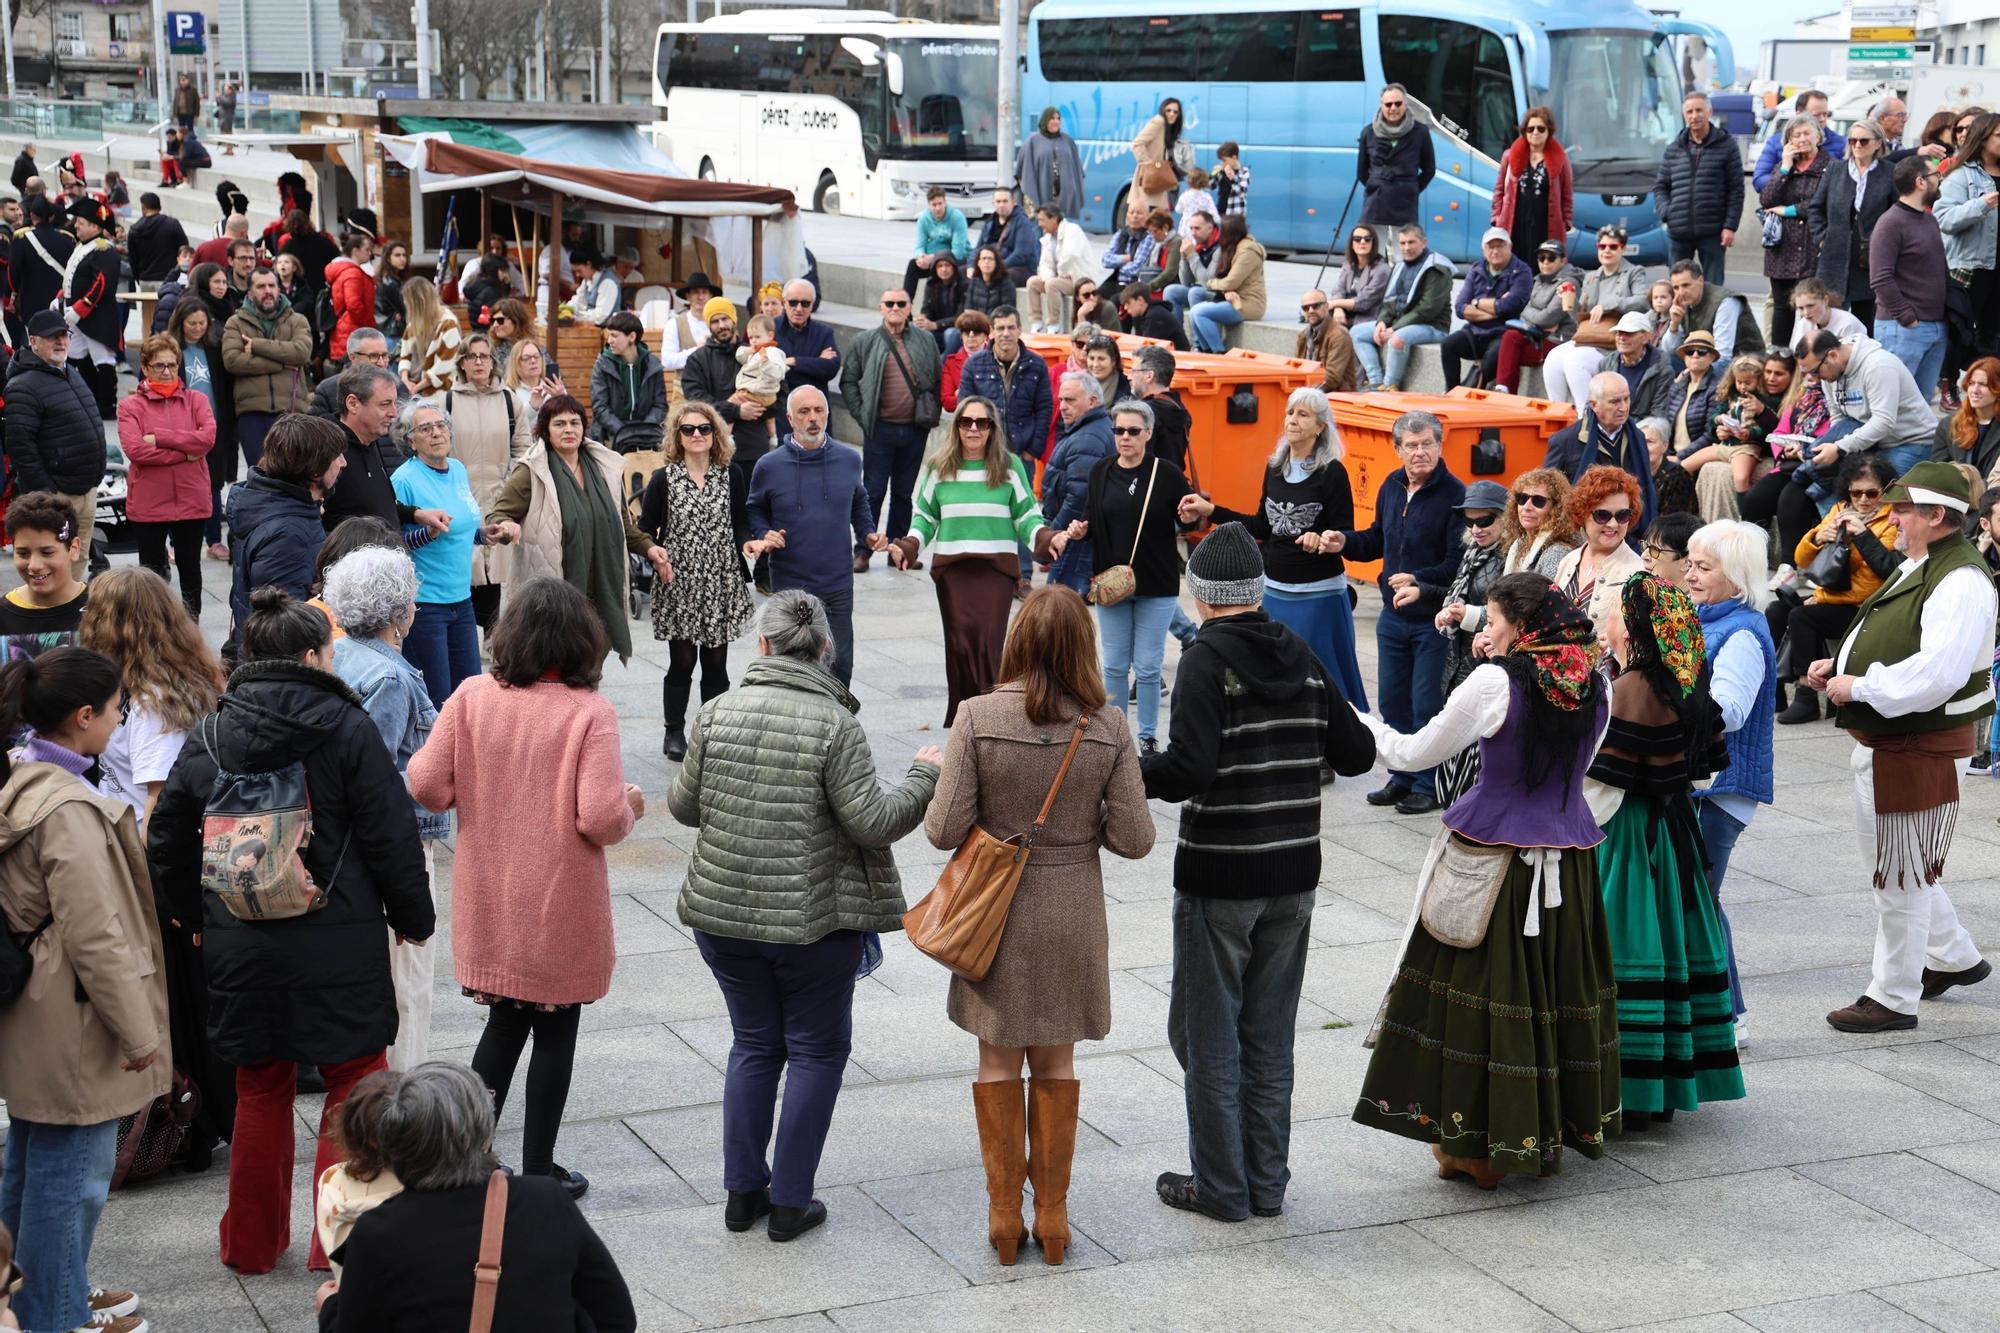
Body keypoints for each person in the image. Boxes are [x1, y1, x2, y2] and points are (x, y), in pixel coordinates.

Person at [148, 587, 434, 1274]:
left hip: (240, 941)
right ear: (311, 654)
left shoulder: (212, 731)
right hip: (338, 936)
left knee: (260, 1087)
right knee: (353, 1083)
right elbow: (390, 831)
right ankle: (335, 1245)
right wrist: (413, 918)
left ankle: (249, 1244)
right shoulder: (346, 724)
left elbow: (165, 841)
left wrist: (197, 915)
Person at [671, 590, 940, 1241]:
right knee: (817, 1051)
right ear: (824, 648)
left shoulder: (715, 712)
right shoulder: (833, 723)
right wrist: (923, 775)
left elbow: (684, 806)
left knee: (755, 1044)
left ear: (761, 645)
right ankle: (790, 1202)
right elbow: (873, 822)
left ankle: (743, 1194)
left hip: (724, 917)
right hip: (810, 925)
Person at [1350, 571, 1618, 1183]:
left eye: (1493, 621)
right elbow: (1583, 768)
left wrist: (1356, 718)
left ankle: (1476, 1149)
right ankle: (1540, 1134)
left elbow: (1412, 754)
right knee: (1552, 996)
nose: (1486, 633)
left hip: (1496, 866)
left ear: (1522, 627)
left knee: (1482, 1005)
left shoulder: (1497, 682)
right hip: (1568, 868)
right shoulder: (1595, 682)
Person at [1140, 523, 1374, 1219]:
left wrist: (1128, 767)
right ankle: (1265, 1183)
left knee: (1206, 1038)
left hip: (1222, 873)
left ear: (1203, 594)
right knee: (1268, 1038)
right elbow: (1358, 752)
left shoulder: (1207, 659)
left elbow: (1187, 770)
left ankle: (1220, 1187)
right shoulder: (1297, 650)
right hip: (1294, 872)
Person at [929, 585, 1151, 1266]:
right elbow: (1136, 838)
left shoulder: (975, 715)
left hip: (992, 918)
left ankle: (1003, 1219)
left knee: (997, 1060)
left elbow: (942, 828)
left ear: (1017, 640)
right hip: (1070, 912)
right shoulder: (1107, 725)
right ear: (1084, 645)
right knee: (1056, 1060)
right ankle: (1052, 1217)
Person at [406, 576, 638, 1201]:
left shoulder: (472, 696)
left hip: (492, 898)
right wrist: (631, 805)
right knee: (556, 1032)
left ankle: (468, 1156)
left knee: (505, 1024)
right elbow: (601, 818)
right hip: (560, 903)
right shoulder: (590, 712)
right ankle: (540, 1169)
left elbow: (425, 785)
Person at [0, 648, 165, 1333]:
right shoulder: (68, 808)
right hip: (73, 1018)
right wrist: (140, 1033)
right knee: (72, 1178)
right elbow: (98, 936)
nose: (124, 717)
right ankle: (51, 1313)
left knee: (30, 1161)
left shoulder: (22, 780)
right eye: (118, 707)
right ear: (84, 715)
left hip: (35, 1012)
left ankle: (30, 1295)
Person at [1803, 461, 1996, 1031]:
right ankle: (1953, 957)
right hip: (1895, 735)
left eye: (1904, 510)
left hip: (1921, 742)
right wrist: (1837, 668)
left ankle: (1892, 997)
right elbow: (1892, 637)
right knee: (1898, 864)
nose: (1894, 518)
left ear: (1938, 516)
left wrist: (1859, 685)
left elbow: (1938, 672)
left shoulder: (1960, 579)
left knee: (1901, 874)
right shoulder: (1923, 562)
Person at [1585, 570, 1745, 1129]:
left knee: (1625, 948)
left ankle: (1626, 1087)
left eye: (1609, 609)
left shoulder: (1633, 688)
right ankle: (1664, 1083)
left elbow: (1606, 781)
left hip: (1627, 833)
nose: (1602, 617)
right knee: (1670, 946)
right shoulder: (1680, 679)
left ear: (1630, 627)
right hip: (1671, 833)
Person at [314, 1061, 635, 1332]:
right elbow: (617, 1317)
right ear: (484, 1138)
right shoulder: (546, 1199)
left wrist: (330, 1308)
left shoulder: (377, 1232)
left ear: (393, 1147)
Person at [321, 548, 447, 1072]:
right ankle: (403, 1098)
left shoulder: (338, 655)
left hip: (354, 847)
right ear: (399, 614)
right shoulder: (389, 677)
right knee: (408, 980)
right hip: (396, 843)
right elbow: (374, 779)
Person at [1181, 387, 1368, 710]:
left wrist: (1322, 539)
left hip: (1318, 595)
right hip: (1275, 591)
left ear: (1321, 427)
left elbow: (1344, 533)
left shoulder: (1332, 472)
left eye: (1303, 414)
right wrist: (1211, 512)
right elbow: (1262, 528)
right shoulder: (1275, 467)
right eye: (1290, 412)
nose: (1292, 420)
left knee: (1326, 681)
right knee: (1277, 678)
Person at [1321, 410, 1465, 813]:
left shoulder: (1455, 495)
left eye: (1427, 444)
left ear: (1439, 445)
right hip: (1392, 617)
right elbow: (1375, 541)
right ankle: (1401, 776)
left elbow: (1456, 562)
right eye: (1411, 445)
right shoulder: (1391, 485)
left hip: (1432, 619)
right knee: (1393, 701)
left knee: (1425, 703)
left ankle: (1427, 781)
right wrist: (1343, 542)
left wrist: (1417, 581)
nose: (1420, 452)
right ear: (1398, 449)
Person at [888, 396, 1060, 726]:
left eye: (982, 423)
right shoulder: (939, 468)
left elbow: (1026, 516)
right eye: (966, 422)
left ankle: (991, 718)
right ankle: (966, 719)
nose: (973, 429)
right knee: (960, 648)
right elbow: (925, 518)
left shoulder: (1008, 466)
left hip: (995, 571)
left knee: (989, 645)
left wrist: (1047, 539)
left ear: (992, 429)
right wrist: (909, 546)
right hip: (954, 573)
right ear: (957, 427)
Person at [480, 395, 669, 667]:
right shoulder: (533, 470)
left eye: (574, 422)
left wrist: (650, 548)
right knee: (557, 665)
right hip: (556, 588)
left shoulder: (604, 468)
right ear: (545, 429)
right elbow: (499, 513)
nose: (569, 429)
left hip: (601, 587)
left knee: (591, 662)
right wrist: (506, 525)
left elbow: (621, 524)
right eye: (559, 424)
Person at [1685, 520, 1780, 1043]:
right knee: (1698, 897)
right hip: (1707, 783)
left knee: (1699, 898)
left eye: (1703, 567)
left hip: (1721, 788)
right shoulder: (1709, 617)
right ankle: (1721, 1011)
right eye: (1692, 564)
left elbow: (1731, 711)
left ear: (1737, 576)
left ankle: (1729, 1014)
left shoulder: (1741, 630)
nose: (1691, 575)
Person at [1068, 398, 1190, 751]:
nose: (1125, 437)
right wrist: (1081, 529)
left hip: (1156, 583)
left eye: (1133, 431)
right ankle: (1115, 736)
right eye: (1119, 430)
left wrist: (1192, 512)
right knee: (1115, 665)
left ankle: (1148, 737)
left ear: (1148, 433)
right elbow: (1094, 518)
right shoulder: (1101, 471)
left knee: (1149, 666)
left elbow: (1186, 519)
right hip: (1111, 585)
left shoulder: (1165, 473)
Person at [640, 400, 753, 759]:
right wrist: (655, 555)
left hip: (720, 579)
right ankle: (674, 731)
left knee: (716, 663)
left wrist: (750, 543)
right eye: (688, 429)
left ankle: (713, 731)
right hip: (680, 582)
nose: (697, 435)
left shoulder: (730, 474)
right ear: (678, 436)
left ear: (715, 433)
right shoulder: (663, 479)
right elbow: (645, 530)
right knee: (683, 662)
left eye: (704, 428)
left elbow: (740, 523)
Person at [745, 386, 880, 684]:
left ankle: (838, 723)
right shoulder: (769, 465)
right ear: (790, 419)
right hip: (790, 583)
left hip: (837, 581)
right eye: (804, 412)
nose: (813, 418)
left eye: (819, 410)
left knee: (841, 661)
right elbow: (754, 509)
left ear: (828, 414)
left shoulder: (849, 459)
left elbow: (859, 502)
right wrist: (763, 533)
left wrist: (867, 534)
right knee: (790, 663)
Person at [1772, 455, 1903, 725]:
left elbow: (1874, 579)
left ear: (1885, 491)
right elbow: (1801, 560)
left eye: (1871, 492)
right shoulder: (1839, 510)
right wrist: (1817, 538)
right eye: (1856, 492)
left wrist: (1863, 535)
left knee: (1801, 615)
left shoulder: (1890, 520)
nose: (1863, 499)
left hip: (1865, 607)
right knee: (1775, 610)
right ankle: (1771, 689)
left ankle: (1807, 695)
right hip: (1833, 598)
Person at [381, 401, 480, 704]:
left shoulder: (459, 469)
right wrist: (427, 534)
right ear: (410, 440)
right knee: (436, 698)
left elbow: (463, 527)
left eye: (441, 425)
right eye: (425, 428)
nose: (437, 433)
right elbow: (393, 545)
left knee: (470, 692)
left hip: (462, 600)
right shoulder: (403, 480)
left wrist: (489, 535)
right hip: (425, 606)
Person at [841, 289, 941, 572]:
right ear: (880, 307)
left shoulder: (925, 340)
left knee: (903, 494)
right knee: (871, 493)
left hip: (914, 430)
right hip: (879, 430)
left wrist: (926, 416)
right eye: (889, 303)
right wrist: (862, 415)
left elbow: (935, 378)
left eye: (901, 303)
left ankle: (899, 551)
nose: (895, 307)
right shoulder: (865, 340)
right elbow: (848, 381)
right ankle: (863, 550)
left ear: (910, 308)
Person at [121, 331, 218, 617]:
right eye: (159, 365)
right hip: (149, 503)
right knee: (150, 574)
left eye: (172, 365)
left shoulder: (197, 400)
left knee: (191, 569)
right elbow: (136, 450)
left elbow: (207, 439)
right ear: (145, 366)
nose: (166, 371)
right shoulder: (130, 406)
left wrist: (159, 437)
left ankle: (191, 628)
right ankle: (152, 629)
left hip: (191, 500)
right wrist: (186, 452)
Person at [7, 311, 107, 579]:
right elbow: (21, 448)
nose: (61, 342)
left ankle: (70, 616)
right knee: (53, 565)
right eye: (53, 337)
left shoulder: (69, 371)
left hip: (86, 491)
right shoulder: (23, 385)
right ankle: (50, 617)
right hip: (58, 496)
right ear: (33, 342)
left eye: (64, 335)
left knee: (78, 559)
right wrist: (49, 493)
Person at [1803, 328, 1937, 477]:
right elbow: (1839, 419)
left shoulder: (1878, 366)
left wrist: (1840, 447)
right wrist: (1831, 445)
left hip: (1910, 441)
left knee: (1884, 495)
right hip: (1872, 443)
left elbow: (1883, 422)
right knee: (1826, 481)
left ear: (1833, 356)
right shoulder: (1830, 372)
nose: (1814, 378)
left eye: (1815, 371)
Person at [1873, 155, 1951, 403]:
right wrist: (1907, 317)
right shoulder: (1890, 223)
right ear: (1920, 182)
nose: (1940, 179)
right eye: (1936, 175)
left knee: (1920, 406)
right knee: (1893, 404)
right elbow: (1880, 278)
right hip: (1903, 328)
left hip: (1935, 326)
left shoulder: (1929, 220)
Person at [224, 267, 315, 470]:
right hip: (253, 413)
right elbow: (232, 361)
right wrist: (282, 363)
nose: (267, 291)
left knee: (295, 473)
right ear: (249, 292)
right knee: (261, 475)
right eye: (261, 286)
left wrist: (256, 346)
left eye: (272, 285)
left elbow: (301, 353)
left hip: (292, 411)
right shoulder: (236, 323)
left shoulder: (297, 320)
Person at [169, 297, 239, 558]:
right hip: (182, 427)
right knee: (180, 485)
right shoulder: (171, 349)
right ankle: (176, 543)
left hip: (214, 425)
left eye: (202, 323)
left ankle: (213, 540)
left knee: (212, 484)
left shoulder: (214, 347)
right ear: (181, 323)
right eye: (192, 323)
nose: (198, 328)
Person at [1543, 370, 1659, 527]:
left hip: (1629, 531)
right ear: (1594, 405)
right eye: (1614, 402)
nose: (1623, 407)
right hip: (1582, 533)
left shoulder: (1637, 437)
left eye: (1626, 399)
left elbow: (1646, 488)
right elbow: (1549, 493)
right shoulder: (1565, 441)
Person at [1809, 117, 1893, 330]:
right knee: (1829, 321)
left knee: (1866, 322)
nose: (1857, 145)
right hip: (1834, 256)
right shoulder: (1836, 169)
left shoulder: (1889, 173)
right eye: (1852, 140)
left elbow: (1895, 213)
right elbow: (1815, 208)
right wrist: (1822, 239)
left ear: (1877, 143)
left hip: (1871, 258)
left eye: (1863, 141)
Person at [1655, 90, 1745, 288]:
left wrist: (1730, 226)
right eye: (1689, 112)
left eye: (1699, 110)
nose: (1694, 116)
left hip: (1713, 231)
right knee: (1677, 287)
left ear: (1709, 112)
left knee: (1713, 288)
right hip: (1678, 230)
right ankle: (1679, 320)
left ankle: (1713, 319)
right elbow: (1661, 187)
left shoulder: (1727, 146)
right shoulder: (1673, 149)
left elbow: (1736, 189)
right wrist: (1666, 213)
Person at [1756, 115, 1831, 349]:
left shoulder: (1831, 167)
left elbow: (1822, 203)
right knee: (1782, 307)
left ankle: (1814, 356)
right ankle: (1780, 358)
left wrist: (1788, 210)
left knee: (1813, 307)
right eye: (1795, 135)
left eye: (1807, 133)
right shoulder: (1784, 166)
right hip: (1782, 248)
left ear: (1818, 136)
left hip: (1813, 245)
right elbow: (1767, 199)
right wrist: (1785, 167)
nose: (1801, 139)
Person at [1351, 224, 1454, 391]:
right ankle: (1376, 380)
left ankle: (1391, 384)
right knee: (1357, 333)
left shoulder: (1436, 268)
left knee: (1397, 339)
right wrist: (1381, 323)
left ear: (1423, 242)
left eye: (1411, 242)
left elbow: (1428, 308)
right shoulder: (1400, 266)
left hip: (1433, 326)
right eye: (1403, 243)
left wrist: (1395, 328)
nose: (1407, 248)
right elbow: (1389, 300)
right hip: (1402, 323)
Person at [1553, 464, 1647, 646]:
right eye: (1602, 515)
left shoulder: (1639, 573)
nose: (1613, 524)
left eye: (1622, 515)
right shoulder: (1568, 560)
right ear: (1582, 514)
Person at [1041, 372, 1116, 596]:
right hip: (1077, 538)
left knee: (1058, 611)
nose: (1062, 406)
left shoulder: (1088, 438)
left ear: (1093, 401)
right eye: (1061, 400)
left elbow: (1078, 496)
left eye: (1070, 400)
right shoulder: (1086, 431)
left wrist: (1055, 534)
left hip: (1073, 541)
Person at [60, 198, 125, 421]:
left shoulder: (104, 250)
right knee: (77, 355)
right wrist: (60, 299)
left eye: (81, 222)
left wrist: (80, 308)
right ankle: (91, 397)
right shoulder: (83, 246)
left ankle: (107, 405)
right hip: (76, 315)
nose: (76, 225)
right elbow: (71, 277)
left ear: (96, 227)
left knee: (102, 360)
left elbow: (101, 283)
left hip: (95, 316)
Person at [1490, 240, 1582, 393]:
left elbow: (1546, 318)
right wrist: (1536, 318)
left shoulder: (1569, 284)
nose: (1545, 262)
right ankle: (1503, 389)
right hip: (1537, 335)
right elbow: (1525, 310)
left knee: (1507, 354)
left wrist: (1534, 317)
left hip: (1557, 341)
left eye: (1551, 258)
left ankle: (1505, 392)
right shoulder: (1538, 280)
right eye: (1541, 258)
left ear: (1563, 260)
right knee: (1509, 337)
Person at [1492, 106, 1573, 261]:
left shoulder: (1560, 159)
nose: (1535, 133)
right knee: (1513, 266)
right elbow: (1499, 190)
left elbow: (1567, 195)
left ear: (1548, 131)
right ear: (1525, 132)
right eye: (1530, 129)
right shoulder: (1509, 156)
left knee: (1544, 266)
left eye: (1541, 129)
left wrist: (1565, 224)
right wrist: (1496, 217)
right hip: (1515, 222)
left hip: (1545, 223)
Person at [587, 309, 668, 453]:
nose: (609, 341)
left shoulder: (653, 364)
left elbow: (660, 404)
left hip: (648, 434)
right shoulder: (602, 365)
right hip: (612, 434)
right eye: (609, 335)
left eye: (614, 336)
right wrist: (624, 432)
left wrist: (643, 431)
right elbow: (600, 408)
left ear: (632, 337)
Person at [1357, 83, 1435, 230]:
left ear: (1405, 104)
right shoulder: (1368, 132)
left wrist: (1412, 188)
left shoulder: (1420, 132)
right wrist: (1376, 185)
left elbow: (1429, 169)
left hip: (1405, 203)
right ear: (1382, 106)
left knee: (1404, 251)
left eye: (1398, 103)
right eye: (1388, 104)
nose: (1393, 108)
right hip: (1375, 203)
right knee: (1375, 251)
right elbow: (1362, 172)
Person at [771, 278, 840, 442]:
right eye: (793, 302)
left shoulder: (824, 333)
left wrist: (793, 361)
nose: (798, 308)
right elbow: (766, 369)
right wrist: (814, 364)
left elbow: (830, 368)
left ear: (813, 305)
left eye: (805, 303)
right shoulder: (771, 329)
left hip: (815, 418)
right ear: (784, 303)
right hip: (781, 415)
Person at [1189, 215, 1266, 353]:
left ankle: (1218, 352)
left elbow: (1231, 282)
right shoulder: (1233, 247)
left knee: (1199, 312)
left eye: (1221, 232)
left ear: (1229, 233)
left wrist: (1211, 283)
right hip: (1231, 297)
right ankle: (1205, 350)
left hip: (1248, 303)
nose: (1218, 236)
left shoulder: (1248, 251)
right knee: (1194, 310)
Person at [1657, 331, 1728, 472]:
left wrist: (1681, 456)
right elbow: (1665, 423)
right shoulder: (1677, 386)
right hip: (1672, 455)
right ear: (1684, 358)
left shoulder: (1718, 389)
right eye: (1690, 352)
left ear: (1712, 357)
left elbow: (1710, 434)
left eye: (1701, 352)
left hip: (1697, 458)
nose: (1695, 355)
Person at [1753, 88, 1848, 191]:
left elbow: (1844, 185)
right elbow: (1759, 181)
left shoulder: (1841, 144)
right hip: (1780, 204)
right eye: (1816, 115)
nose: (1822, 119)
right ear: (1799, 114)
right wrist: (1784, 172)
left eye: (1825, 114)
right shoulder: (1776, 143)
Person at [1026, 207, 1095, 334]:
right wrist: (1049, 277)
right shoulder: (1047, 237)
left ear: (1054, 219)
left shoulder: (1073, 230)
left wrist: (1060, 274)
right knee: (1032, 282)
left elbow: (1071, 255)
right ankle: (1037, 323)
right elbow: (1045, 263)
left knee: (1052, 285)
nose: (1040, 224)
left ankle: (1054, 325)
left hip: (1079, 280)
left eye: (1042, 220)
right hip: (1060, 278)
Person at [901, 187, 971, 300]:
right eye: (934, 205)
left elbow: (958, 252)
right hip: (932, 259)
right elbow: (919, 246)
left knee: (943, 267)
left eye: (940, 204)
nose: (938, 208)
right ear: (929, 205)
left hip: (956, 259)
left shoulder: (957, 217)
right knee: (913, 265)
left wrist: (933, 258)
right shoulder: (923, 218)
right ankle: (905, 306)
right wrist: (921, 257)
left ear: (945, 202)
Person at [396, 276, 461, 397]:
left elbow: (444, 367)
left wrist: (415, 388)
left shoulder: (448, 324)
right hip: (413, 387)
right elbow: (405, 355)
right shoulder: (414, 323)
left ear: (420, 303)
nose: (408, 309)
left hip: (438, 392)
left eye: (409, 305)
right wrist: (405, 380)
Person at [1935, 356, 2000, 477]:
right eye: (1971, 383)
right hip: (1955, 491)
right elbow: (1938, 470)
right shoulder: (1949, 424)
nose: (1975, 390)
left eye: (1983, 385)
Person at [1323, 226, 1391, 330]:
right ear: (1352, 244)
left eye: (1367, 239)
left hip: (1368, 318)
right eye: (1357, 239)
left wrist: (1333, 303)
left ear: (1374, 243)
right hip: (1344, 315)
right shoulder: (1348, 264)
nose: (1362, 242)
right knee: (1316, 321)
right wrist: (1337, 308)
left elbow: (1363, 301)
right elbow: (1338, 290)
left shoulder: (1382, 270)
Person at [1128, 97, 1187, 212]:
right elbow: (1137, 143)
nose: (1171, 114)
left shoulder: (1168, 127)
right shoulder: (1159, 121)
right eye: (1168, 110)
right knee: (1148, 218)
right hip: (1151, 180)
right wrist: (1149, 164)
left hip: (1159, 182)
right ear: (1163, 110)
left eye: (1175, 112)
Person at [325, 231, 376, 366]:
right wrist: (369, 325)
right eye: (367, 249)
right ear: (355, 250)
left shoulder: (345, 270)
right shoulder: (352, 273)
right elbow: (354, 304)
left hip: (346, 329)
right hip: (353, 330)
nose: (370, 253)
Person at [978, 186, 1039, 286]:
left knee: (1003, 276)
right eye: (998, 201)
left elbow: (1020, 255)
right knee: (963, 273)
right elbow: (978, 248)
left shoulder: (1022, 222)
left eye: (1005, 201)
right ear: (993, 203)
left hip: (1021, 268)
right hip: (993, 264)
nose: (1001, 205)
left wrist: (997, 266)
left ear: (1013, 202)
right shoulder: (990, 222)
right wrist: (972, 265)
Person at [126, 191, 188, 282]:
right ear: (160, 207)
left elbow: (132, 258)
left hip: (145, 279)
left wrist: (138, 277)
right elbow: (184, 248)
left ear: (143, 208)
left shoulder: (134, 230)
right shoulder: (172, 224)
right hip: (168, 278)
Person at [914, 251, 969, 353]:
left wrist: (937, 324)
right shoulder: (931, 283)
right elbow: (927, 309)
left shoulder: (964, 284)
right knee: (913, 328)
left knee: (951, 334)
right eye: (940, 266)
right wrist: (923, 318)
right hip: (936, 327)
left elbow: (962, 316)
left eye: (947, 265)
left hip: (956, 329)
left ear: (953, 267)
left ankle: (943, 365)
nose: (943, 269)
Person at [1212, 141, 1250, 218]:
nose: (1222, 163)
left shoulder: (1244, 172)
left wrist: (1232, 178)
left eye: (1224, 160)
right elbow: (1210, 186)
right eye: (1221, 161)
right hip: (1221, 212)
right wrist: (1214, 173)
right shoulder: (1222, 171)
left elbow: (1242, 191)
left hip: (1235, 214)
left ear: (1234, 158)